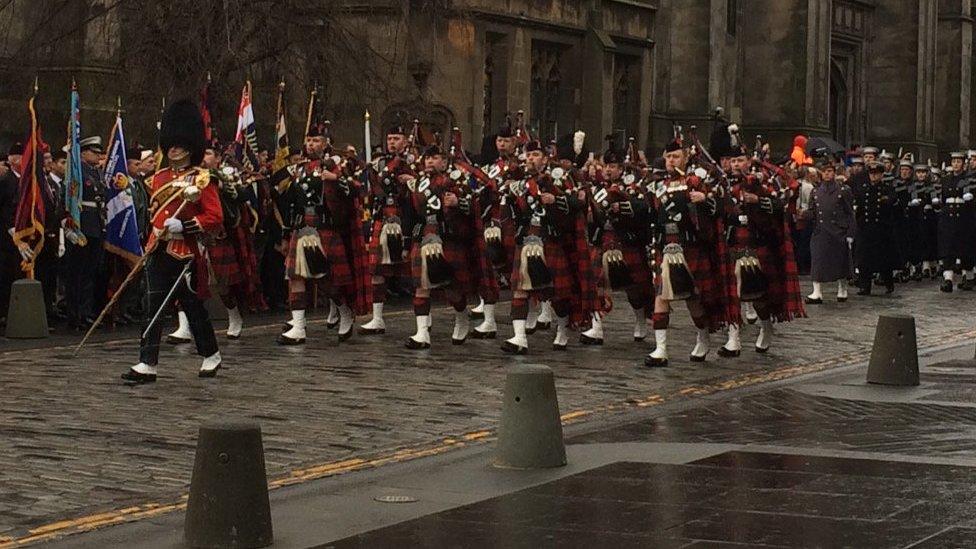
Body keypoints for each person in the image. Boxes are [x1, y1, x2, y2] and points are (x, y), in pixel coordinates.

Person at [121, 99, 223, 384]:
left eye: (179, 145)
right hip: (159, 248)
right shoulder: (159, 178)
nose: (174, 149)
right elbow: (154, 213)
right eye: (171, 144)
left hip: (185, 252)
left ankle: (211, 353)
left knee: (192, 308)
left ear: (190, 147)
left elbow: (214, 216)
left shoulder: (203, 179)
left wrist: (185, 226)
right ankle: (147, 362)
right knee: (151, 303)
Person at [276, 124, 371, 345]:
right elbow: (291, 204)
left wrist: (336, 179)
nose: (311, 145)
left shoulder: (336, 164)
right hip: (302, 228)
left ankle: (344, 309)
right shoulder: (299, 168)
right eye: (308, 141)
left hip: (325, 227)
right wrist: (286, 232)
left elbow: (358, 189)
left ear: (326, 143)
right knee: (295, 276)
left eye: (316, 140)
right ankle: (298, 327)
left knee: (325, 279)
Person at [645, 133, 734, 366]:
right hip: (667, 247)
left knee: (693, 300)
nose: (671, 161)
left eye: (676, 156)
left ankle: (703, 336)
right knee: (661, 296)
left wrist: (704, 199)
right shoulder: (658, 185)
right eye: (668, 157)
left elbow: (724, 207)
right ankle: (660, 349)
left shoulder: (697, 181)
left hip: (691, 246)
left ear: (685, 157)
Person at [501, 140, 598, 354]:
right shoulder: (521, 181)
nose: (530, 159)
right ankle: (519, 337)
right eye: (528, 155)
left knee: (557, 292)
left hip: (551, 239)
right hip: (528, 238)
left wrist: (556, 199)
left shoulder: (561, 177)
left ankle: (562, 330)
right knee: (519, 288)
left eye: (535, 155)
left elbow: (578, 203)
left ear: (545, 158)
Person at [718, 143, 805, 356]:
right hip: (734, 243)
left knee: (759, 297)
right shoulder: (722, 183)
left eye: (740, 160)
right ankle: (733, 339)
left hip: (758, 245)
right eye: (733, 160)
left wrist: (758, 200)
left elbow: (784, 199)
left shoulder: (764, 180)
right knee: (733, 294)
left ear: (748, 161)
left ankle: (766, 326)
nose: (736, 164)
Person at [403, 144, 493, 349]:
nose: (429, 162)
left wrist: (458, 202)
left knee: (453, 290)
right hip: (425, 236)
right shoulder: (417, 184)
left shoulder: (457, 180)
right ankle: (422, 333)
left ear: (444, 162)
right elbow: (410, 213)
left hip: (450, 239)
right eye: (427, 158)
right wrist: (407, 241)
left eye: (434, 158)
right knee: (421, 287)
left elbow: (473, 207)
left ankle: (461, 318)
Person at [579, 146, 653, 345]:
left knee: (634, 286)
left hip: (626, 242)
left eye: (613, 166)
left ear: (621, 168)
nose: (608, 170)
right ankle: (596, 328)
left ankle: (640, 321)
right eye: (606, 166)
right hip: (603, 240)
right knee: (596, 283)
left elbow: (644, 208)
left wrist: (622, 207)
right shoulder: (597, 188)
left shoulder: (633, 186)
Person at [358, 124, 418, 336]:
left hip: (407, 220)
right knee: (376, 271)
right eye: (390, 138)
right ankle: (377, 318)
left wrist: (413, 180)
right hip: (382, 219)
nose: (392, 142)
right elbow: (371, 191)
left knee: (417, 273)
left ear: (405, 141)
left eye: (397, 138)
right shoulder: (379, 164)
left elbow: (424, 190)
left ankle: (423, 323)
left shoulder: (415, 163)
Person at [63, 136, 106, 330]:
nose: (98, 156)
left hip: (95, 224)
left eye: (99, 153)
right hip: (82, 224)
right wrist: (69, 225)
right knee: (76, 273)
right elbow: (68, 199)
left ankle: (86, 312)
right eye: (94, 152)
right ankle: (74, 314)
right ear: (83, 153)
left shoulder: (96, 173)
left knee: (90, 272)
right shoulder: (76, 172)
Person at [804, 159, 855, 303]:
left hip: (838, 231)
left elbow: (850, 213)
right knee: (817, 260)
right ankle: (817, 292)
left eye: (830, 171)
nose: (827, 174)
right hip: (820, 231)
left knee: (840, 261)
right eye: (825, 171)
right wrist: (803, 214)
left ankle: (842, 287)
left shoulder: (843, 190)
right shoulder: (815, 191)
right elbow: (812, 211)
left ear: (834, 172)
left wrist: (850, 233)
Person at [852, 161, 897, 295]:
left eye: (876, 174)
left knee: (883, 259)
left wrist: (886, 200)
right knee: (864, 258)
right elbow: (858, 206)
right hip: (865, 228)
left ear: (881, 175)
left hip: (881, 229)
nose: (873, 176)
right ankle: (865, 285)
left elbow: (892, 201)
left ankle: (888, 281)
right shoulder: (863, 189)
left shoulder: (887, 189)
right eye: (871, 174)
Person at [936, 152, 976, 292]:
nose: (956, 164)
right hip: (948, 218)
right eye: (954, 162)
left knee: (965, 248)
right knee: (947, 248)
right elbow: (941, 197)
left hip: (964, 217)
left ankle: (969, 277)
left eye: (959, 162)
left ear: (964, 164)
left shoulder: (970, 179)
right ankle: (948, 280)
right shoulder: (946, 179)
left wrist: (972, 198)